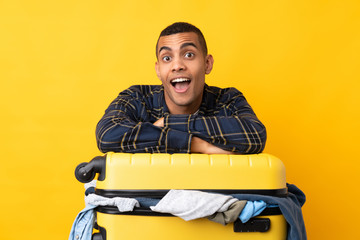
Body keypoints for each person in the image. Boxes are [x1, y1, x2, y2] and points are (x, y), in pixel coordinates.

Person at [96, 22, 266, 154]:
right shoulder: (137, 97)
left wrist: (167, 123)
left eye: (189, 55)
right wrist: (196, 145)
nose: (177, 65)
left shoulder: (227, 99)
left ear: (207, 63)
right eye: (167, 58)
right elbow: (108, 135)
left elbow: (255, 134)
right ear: (158, 70)